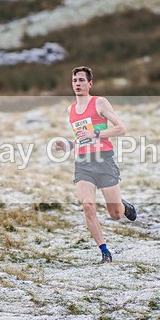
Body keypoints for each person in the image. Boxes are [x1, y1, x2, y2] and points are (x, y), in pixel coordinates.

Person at [53, 66, 137, 263]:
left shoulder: (99, 102)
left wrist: (96, 134)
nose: (78, 84)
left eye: (82, 80)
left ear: (89, 84)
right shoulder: (71, 110)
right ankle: (105, 251)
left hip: (104, 160)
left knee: (115, 214)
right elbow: (81, 139)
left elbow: (121, 129)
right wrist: (67, 145)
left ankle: (123, 205)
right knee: (88, 206)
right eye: (75, 81)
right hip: (83, 163)